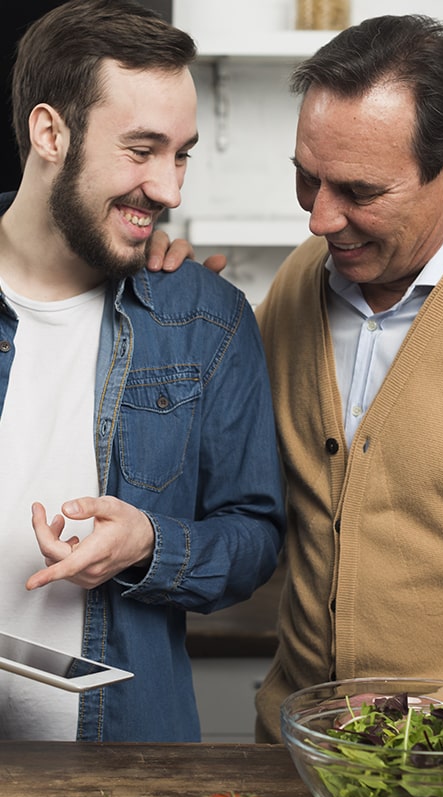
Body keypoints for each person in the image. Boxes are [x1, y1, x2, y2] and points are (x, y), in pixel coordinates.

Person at [148, 13, 443, 743]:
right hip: (295, 756)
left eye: (360, 191)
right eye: (308, 179)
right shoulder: (303, 285)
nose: (321, 219)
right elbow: (225, 466)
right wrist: (177, 321)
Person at [0, 0, 285, 742]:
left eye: (182, 152)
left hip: (129, 764)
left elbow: (254, 535)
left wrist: (150, 545)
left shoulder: (208, 319)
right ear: (50, 132)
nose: (170, 190)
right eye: (142, 149)